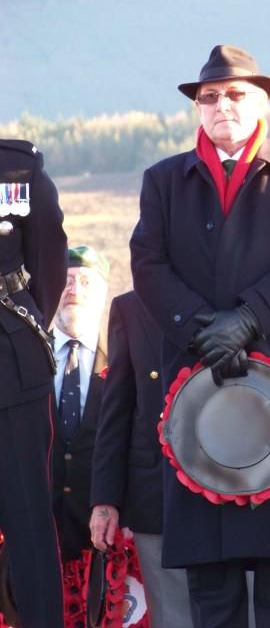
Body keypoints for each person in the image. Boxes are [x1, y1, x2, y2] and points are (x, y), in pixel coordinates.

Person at [128, 44, 270, 627]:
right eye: (210, 96)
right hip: (195, 393)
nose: (223, 105)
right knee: (211, 586)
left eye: (237, 94)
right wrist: (206, 331)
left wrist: (247, 320)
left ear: (263, 100)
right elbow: (147, 264)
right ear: (197, 108)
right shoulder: (163, 180)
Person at [90, 290, 193, 628]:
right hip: (156, 498)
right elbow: (117, 409)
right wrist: (105, 500)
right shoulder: (130, 308)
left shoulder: (235, 297)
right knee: (172, 619)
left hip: (230, 492)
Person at [0, 138, 67, 627]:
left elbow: (48, 263)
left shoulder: (14, 171)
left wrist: (23, 326)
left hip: (10, 367)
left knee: (29, 527)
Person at [52, 245, 109, 564]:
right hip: (29, 536)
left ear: (103, 295)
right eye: (66, 280)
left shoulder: (121, 362)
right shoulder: (25, 356)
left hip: (99, 544)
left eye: (86, 281)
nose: (74, 289)